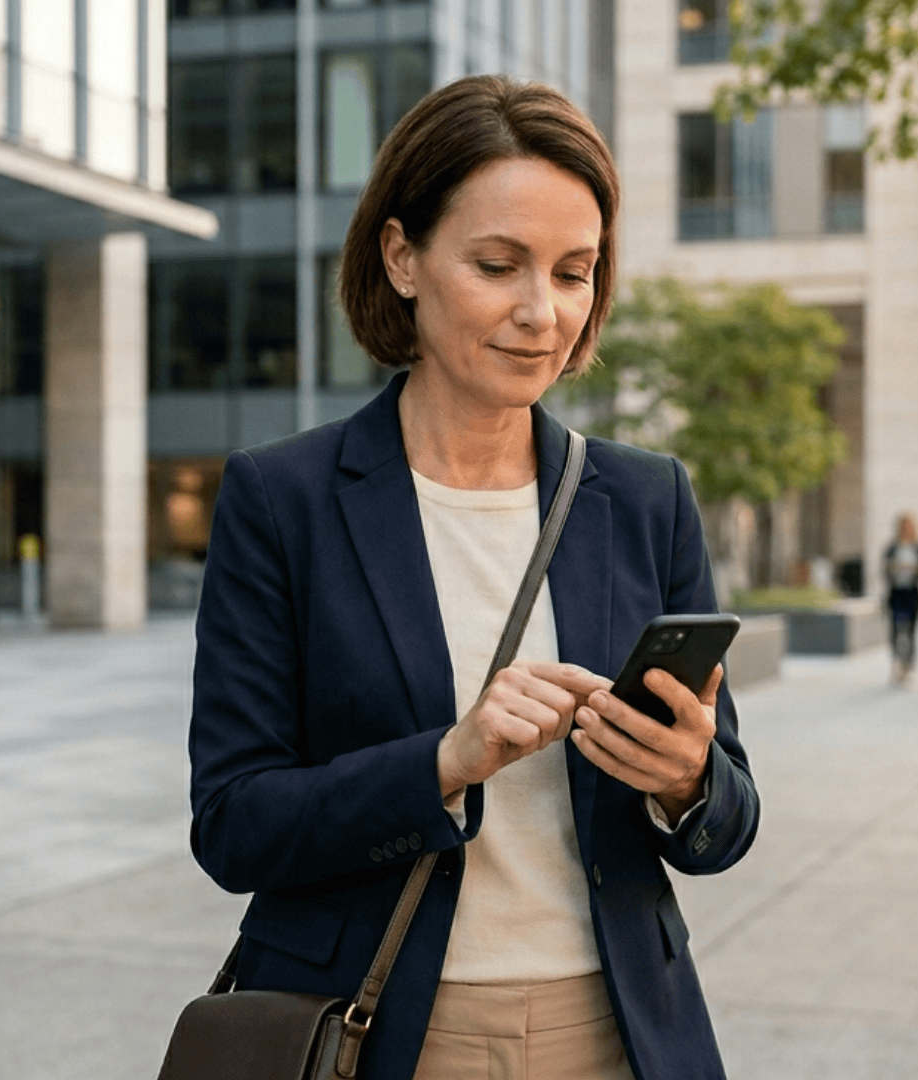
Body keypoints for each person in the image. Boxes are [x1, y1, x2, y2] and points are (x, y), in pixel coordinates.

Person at [187, 76, 758, 1080]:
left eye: (574, 273)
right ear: (403, 256)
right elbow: (234, 824)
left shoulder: (647, 498)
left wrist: (687, 779)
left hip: (619, 1033)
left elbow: (727, 821)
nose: (543, 313)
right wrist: (445, 760)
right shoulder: (285, 502)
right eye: (499, 265)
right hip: (379, 1033)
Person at [882, 513, 918, 684]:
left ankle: (908, 665)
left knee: (911, 631)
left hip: (912, 593)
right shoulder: (893, 547)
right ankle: (897, 662)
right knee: (895, 630)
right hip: (896, 593)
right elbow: (885, 568)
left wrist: (916, 570)